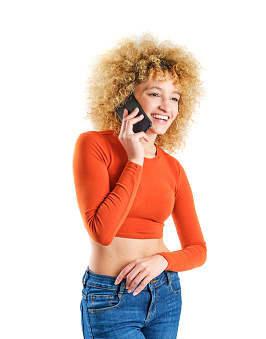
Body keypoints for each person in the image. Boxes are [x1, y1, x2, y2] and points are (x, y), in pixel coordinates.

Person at [73, 33, 207, 339]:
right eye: (155, 93)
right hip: (111, 297)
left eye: (174, 97)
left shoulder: (173, 168)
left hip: (166, 293)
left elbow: (198, 250)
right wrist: (135, 160)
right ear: (126, 96)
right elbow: (101, 231)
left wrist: (163, 260)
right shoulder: (93, 145)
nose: (166, 106)